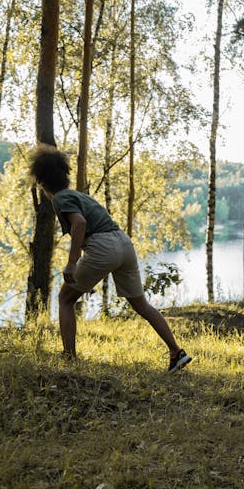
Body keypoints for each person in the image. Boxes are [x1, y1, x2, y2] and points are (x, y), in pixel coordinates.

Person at [29, 144, 193, 373]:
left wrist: (73, 262)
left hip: (103, 245)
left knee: (65, 299)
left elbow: (80, 223)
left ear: (43, 182)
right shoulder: (79, 195)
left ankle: (69, 358)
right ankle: (177, 352)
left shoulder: (59, 199)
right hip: (123, 243)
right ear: (64, 175)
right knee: (141, 305)